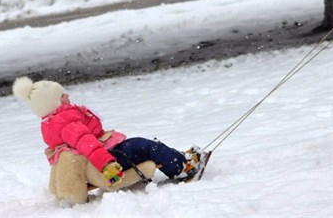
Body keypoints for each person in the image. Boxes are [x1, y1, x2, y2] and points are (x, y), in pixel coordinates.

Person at [13, 76, 206, 186]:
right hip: (105, 159)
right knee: (144, 146)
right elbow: (86, 143)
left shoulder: (55, 121)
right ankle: (183, 168)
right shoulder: (66, 122)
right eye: (62, 95)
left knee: (143, 146)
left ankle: (178, 158)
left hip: (104, 153)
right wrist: (106, 164)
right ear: (53, 103)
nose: (68, 95)